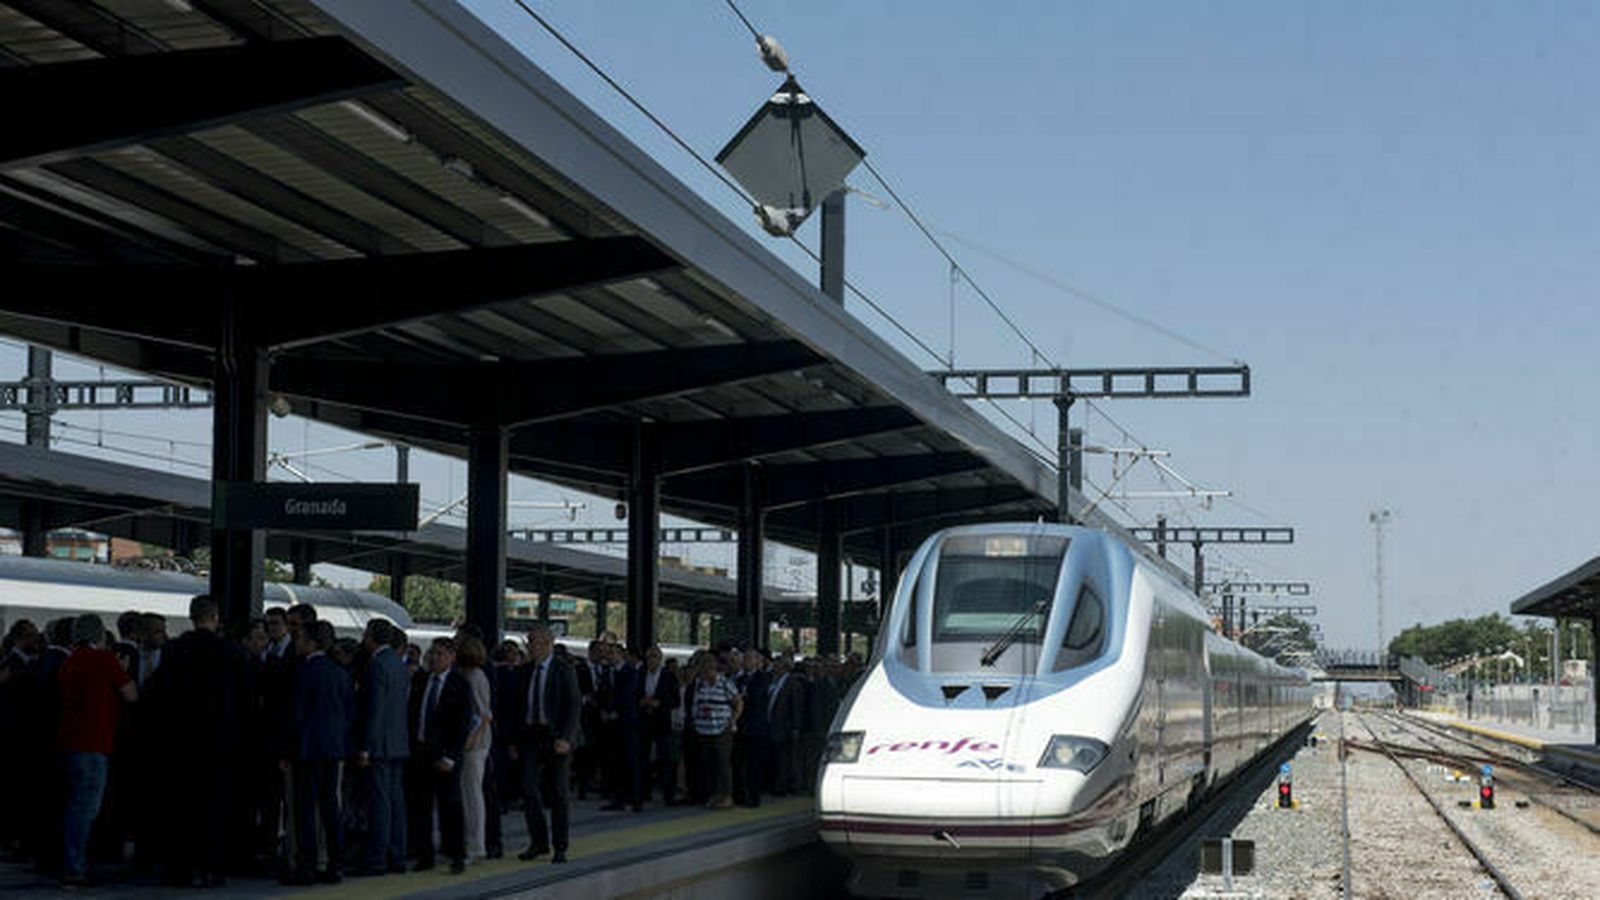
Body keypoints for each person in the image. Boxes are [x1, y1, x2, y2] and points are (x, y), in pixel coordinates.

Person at [148, 595, 249, 887]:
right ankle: (212, 867)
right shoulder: (230, 653)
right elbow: (245, 699)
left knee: (182, 805)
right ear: (216, 617)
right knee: (215, 806)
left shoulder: (175, 650)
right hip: (220, 743)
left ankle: (181, 867)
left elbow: (158, 696)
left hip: (181, 742)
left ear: (191, 617)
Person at [57, 613, 136, 887]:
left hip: (70, 742)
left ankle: (71, 862)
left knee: (73, 805)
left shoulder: (69, 661)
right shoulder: (103, 660)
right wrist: (122, 668)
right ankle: (75, 867)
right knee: (86, 808)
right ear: (100, 634)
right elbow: (131, 694)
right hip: (94, 743)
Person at [287, 621, 354, 885]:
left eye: (301, 638)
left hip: (307, 749)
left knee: (305, 810)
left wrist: (288, 749)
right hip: (334, 749)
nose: (297, 642)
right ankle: (335, 864)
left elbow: (297, 715)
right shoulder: (340, 673)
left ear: (313, 642)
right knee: (330, 807)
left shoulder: (304, 673)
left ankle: (307, 866)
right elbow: (350, 713)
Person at [512, 623, 581, 864]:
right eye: (529, 642)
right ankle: (538, 842)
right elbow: (517, 707)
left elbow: (573, 705)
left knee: (559, 792)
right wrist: (514, 741)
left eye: (534, 642)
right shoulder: (524, 671)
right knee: (528, 788)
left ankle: (560, 846)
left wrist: (566, 738)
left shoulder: (564, 669)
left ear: (547, 644)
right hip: (531, 735)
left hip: (556, 736)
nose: (530, 647)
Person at [407, 638, 471, 875]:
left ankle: (456, 854)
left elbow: (463, 724)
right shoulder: (421, 679)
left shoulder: (459, 684)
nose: (434, 657)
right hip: (421, 751)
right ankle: (425, 855)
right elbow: (412, 713)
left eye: (440, 653)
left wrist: (452, 756)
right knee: (420, 806)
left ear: (452, 657)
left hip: (445, 754)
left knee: (450, 805)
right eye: (432, 653)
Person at [353, 620, 409, 877]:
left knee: (380, 803)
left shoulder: (376, 665)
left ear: (372, 637)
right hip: (398, 742)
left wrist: (365, 745)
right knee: (396, 802)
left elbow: (373, 709)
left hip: (380, 745)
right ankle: (397, 854)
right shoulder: (399, 664)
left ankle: (377, 857)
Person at [455, 634, 494, 864]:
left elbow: (483, 714)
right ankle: (472, 842)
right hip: (474, 741)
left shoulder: (475, 677)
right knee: (470, 792)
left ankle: (476, 845)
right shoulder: (472, 675)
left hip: (474, 743)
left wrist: (471, 739)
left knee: (471, 793)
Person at [690, 654, 742, 810]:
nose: (705, 673)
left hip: (721, 729)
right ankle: (714, 794)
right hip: (704, 729)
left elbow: (739, 703)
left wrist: (733, 721)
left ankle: (727, 795)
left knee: (723, 763)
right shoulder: (700, 684)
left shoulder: (725, 683)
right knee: (709, 764)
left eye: (707, 669)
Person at [639, 646, 680, 806]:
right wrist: (642, 701)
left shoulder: (668, 676)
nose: (652, 661)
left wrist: (660, 703)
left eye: (655, 657)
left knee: (666, 760)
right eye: (649, 657)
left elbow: (676, 700)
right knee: (643, 758)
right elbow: (635, 693)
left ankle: (668, 794)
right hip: (645, 721)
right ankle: (644, 792)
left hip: (662, 722)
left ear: (660, 659)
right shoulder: (641, 674)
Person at [765, 655, 804, 796]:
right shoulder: (772, 681)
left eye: (777, 665)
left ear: (785, 667)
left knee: (784, 758)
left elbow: (797, 706)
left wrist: (795, 727)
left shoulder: (792, 683)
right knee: (774, 757)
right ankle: (774, 783)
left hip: (784, 726)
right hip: (771, 724)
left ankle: (782, 786)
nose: (774, 667)